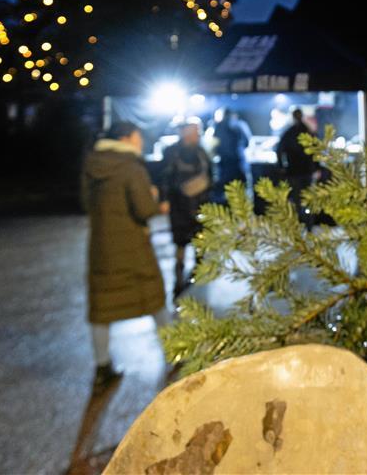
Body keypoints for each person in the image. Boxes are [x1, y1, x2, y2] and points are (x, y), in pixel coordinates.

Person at [81, 121, 173, 392]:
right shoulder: (132, 167)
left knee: (102, 307)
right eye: (138, 136)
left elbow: (86, 203)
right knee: (154, 299)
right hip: (132, 245)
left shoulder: (91, 165)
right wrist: (157, 201)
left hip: (101, 246)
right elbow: (144, 209)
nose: (141, 142)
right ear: (127, 138)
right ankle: (176, 352)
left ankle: (102, 367)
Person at [160, 118, 212, 298]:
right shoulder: (172, 152)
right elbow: (165, 178)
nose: (198, 134)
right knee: (180, 244)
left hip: (200, 206)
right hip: (179, 207)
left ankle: (198, 278)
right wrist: (165, 199)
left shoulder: (201, 152)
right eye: (194, 131)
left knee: (200, 243)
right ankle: (178, 283)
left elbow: (211, 174)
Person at [277, 109, 316, 224]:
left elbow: (279, 150)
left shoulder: (289, 132)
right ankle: (308, 224)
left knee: (297, 199)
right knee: (307, 198)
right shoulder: (308, 131)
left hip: (294, 171)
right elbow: (315, 150)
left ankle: (299, 224)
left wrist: (282, 167)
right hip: (306, 171)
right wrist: (316, 167)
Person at [212, 108, 252, 197]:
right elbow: (247, 142)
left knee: (224, 193)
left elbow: (214, 144)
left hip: (224, 165)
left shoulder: (218, 126)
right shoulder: (240, 125)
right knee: (242, 194)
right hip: (239, 163)